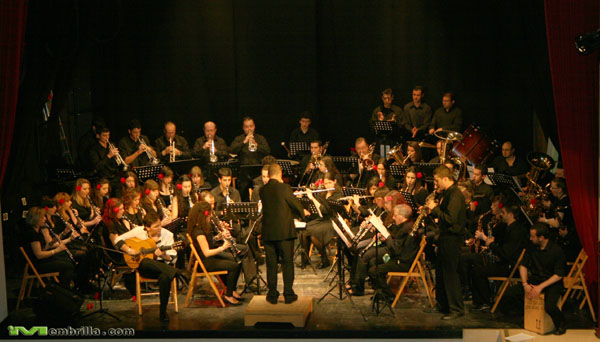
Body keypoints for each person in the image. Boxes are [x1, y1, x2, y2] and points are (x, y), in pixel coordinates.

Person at [112, 209, 179, 322]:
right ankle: (178, 273)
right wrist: (129, 250)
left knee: (165, 277)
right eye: (156, 226)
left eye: (159, 225)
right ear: (147, 227)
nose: (160, 228)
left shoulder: (168, 235)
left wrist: (163, 256)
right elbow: (117, 239)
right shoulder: (138, 231)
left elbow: (172, 259)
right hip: (145, 268)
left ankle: (163, 312)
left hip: (162, 267)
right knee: (145, 262)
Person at [501, 223, 567, 335]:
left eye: (533, 236)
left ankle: (561, 324)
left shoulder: (556, 250)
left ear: (541, 238)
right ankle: (526, 319)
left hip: (552, 282)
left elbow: (559, 274)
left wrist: (540, 287)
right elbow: (523, 265)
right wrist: (525, 284)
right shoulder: (532, 247)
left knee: (550, 306)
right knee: (509, 294)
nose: (530, 238)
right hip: (536, 280)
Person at [259, 164, 308, 304]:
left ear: (269, 174)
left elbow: (276, 205)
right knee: (287, 263)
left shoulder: (263, 190)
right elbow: (294, 204)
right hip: (284, 232)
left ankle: (272, 294)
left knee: (271, 264)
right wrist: (302, 215)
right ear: (280, 173)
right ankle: (288, 294)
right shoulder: (284, 188)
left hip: (268, 232)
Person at [424, 165, 467, 320]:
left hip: (452, 239)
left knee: (450, 275)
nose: (435, 184)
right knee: (441, 274)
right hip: (444, 237)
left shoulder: (455, 194)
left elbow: (450, 219)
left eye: (437, 181)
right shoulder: (447, 193)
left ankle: (456, 309)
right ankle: (442, 305)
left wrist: (435, 208)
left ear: (445, 179)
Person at [470, 203, 528, 311]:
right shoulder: (509, 228)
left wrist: (490, 243)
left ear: (510, 215)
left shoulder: (516, 231)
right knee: (478, 266)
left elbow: (506, 253)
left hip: (510, 267)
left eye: (504, 213)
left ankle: (485, 302)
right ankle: (483, 300)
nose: (501, 215)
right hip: (506, 263)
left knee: (477, 272)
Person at [188, 201, 244, 305]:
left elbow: (209, 242)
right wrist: (223, 247)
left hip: (210, 258)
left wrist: (219, 237)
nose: (211, 216)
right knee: (234, 266)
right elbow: (207, 253)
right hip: (205, 262)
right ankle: (228, 295)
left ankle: (231, 289)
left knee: (236, 259)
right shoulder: (198, 232)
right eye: (210, 214)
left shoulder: (203, 226)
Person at [21, 207, 75, 289]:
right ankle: (63, 290)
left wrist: (52, 242)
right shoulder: (32, 234)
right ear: (36, 219)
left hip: (42, 261)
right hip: (37, 265)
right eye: (42, 217)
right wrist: (56, 250)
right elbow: (39, 255)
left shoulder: (37, 231)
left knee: (67, 260)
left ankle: (63, 288)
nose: (45, 219)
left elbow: (43, 248)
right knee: (67, 266)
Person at [298, 172, 343, 269]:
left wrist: (312, 198)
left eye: (330, 183)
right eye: (326, 183)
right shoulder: (324, 193)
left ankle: (324, 259)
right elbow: (318, 210)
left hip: (333, 221)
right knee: (303, 230)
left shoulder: (338, 195)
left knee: (314, 233)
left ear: (335, 182)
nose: (327, 186)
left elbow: (325, 210)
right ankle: (305, 260)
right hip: (323, 219)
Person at [230, 117, 271, 200]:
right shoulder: (239, 139)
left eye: (251, 126)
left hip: (258, 170)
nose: (249, 129)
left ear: (254, 126)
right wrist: (244, 142)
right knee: (243, 189)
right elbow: (232, 150)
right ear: (243, 128)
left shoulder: (260, 138)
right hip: (243, 171)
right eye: (247, 127)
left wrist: (257, 145)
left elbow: (267, 151)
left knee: (260, 190)